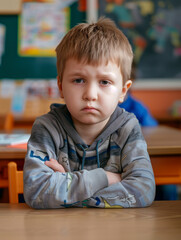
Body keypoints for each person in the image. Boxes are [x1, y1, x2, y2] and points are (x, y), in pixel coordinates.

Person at [23, 18, 155, 209]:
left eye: (104, 82)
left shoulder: (128, 127)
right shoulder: (47, 128)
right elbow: (37, 192)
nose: (90, 95)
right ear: (60, 87)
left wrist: (65, 185)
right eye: (78, 80)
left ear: (123, 91)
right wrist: (107, 178)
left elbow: (143, 190)